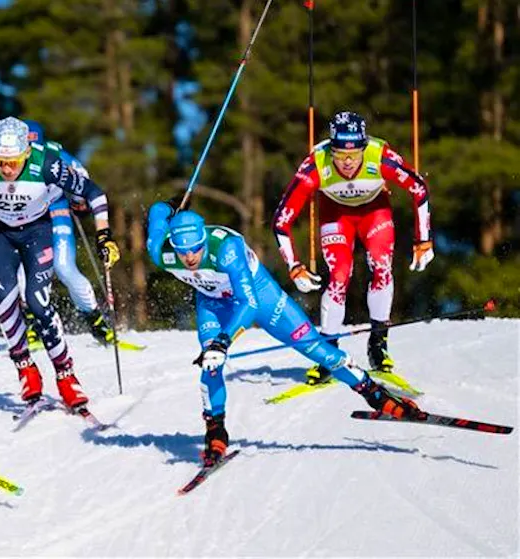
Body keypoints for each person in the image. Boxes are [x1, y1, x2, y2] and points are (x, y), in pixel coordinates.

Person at [146, 202, 421, 466]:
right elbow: (157, 213)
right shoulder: (161, 251)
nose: (190, 257)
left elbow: (249, 304)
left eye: (195, 249)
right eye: (183, 251)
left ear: (203, 240)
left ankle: (376, 395)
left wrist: (222, 341)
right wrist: (170, 208)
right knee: (211, 364)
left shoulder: (226, 249)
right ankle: (215, 432)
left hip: (260, 296)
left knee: (317, 350)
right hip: (212, 304)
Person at [0, 117, 120, 414]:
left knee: (38, 300)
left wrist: (104, 236)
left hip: (38, 230)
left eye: (13, 162)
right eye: (1, 161)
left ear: (26, 153)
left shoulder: (46, 163)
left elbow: (94, 193)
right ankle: (26, 369)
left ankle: (66, 374)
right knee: (6, 300)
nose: (7, 169)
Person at [272, 111, 433, 385]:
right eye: (339, 154)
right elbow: (281, 220)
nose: (347, 162)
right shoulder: (315, 166)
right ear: (330, 149)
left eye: (354, 154)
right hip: (336, 214)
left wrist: (424, 239)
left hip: (374, 211)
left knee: (381, 265)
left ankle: (378, 345)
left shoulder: (379, 157)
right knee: (339, 277)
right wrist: (294, 267)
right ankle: (327, 354)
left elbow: (418, 188)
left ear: (363, 146)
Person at [17, 120, 113, 346]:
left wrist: (79, 202)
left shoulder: (56, 153)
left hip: (55, 210)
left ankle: (95, 320)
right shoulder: (8, 155)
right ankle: (33, 324)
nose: (31, 153)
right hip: (26, 217)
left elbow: (81, 175)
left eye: (35, 146)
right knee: (25, 267)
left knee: (64, 267)